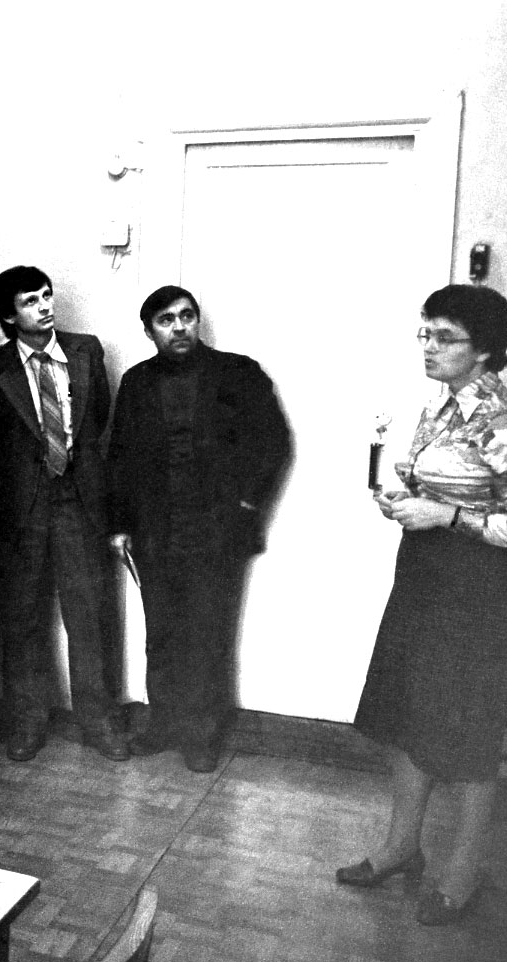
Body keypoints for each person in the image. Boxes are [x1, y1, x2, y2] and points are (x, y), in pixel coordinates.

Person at [338, 284, 507, 925]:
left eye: (444, 337)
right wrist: (405, 500)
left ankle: (464, 871)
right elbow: (440, 488)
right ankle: (402, 847)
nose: (427, 347)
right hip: (425, 576)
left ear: (484, 349)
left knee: (467, 728)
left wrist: (448, 516)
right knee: (408, 712)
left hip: (480, 589)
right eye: (424, 333)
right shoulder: (442, 404)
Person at [107, 285, 291, 773]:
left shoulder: (238, 373)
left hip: (217, 530)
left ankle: (202, 734)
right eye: (166, 320)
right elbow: (119, 455)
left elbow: (274, 440)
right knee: (161, 632)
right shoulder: (136, 382)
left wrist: (247, 502)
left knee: (208, 633)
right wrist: (120, 524)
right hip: (156, 530)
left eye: (187, 316)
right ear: (149, 331)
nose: (179, 327)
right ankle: (164, 724)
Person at [0, 265, 128, 763]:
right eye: (30, 301)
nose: (44, 306)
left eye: (46, 295)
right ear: (7, 316)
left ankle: (98, 722)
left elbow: (97, 421)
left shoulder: (86, 351)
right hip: (23, 511)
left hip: (78, 502)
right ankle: (28, 722)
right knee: (22, 620)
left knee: (89, 615)